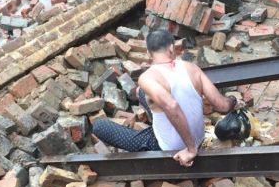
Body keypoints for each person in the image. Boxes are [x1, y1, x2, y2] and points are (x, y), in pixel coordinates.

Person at [92, 30, 240, 166]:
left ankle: (175, 143)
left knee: (99, 126)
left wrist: (190, 149)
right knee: (143, 92)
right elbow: (222, 106)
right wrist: (233, 100)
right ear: (171, 48)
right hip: (198, 138)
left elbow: (172, 106)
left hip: (169, 148)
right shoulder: (192, 68)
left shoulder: (147, 77)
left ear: (149, 54)